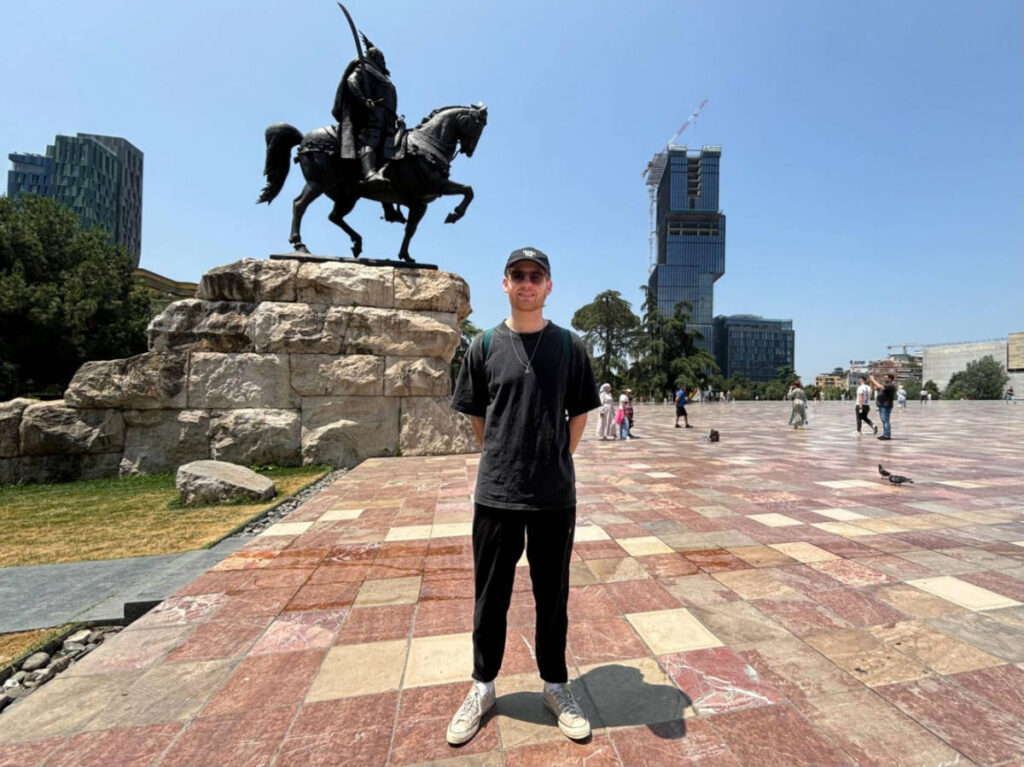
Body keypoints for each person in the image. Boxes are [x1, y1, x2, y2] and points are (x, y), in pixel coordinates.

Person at [448, 247, 599, 745]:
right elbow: (477, 418)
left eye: (537, 276)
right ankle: (482, 685)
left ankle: (555, 685)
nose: (527, 283)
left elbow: (579, 413)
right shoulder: (485, 345)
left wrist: (554, 455)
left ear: (549, 286)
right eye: (519, 275)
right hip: (496, 495)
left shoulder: (569, 347)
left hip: (554, 495)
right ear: (505, 283)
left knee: (551, 596)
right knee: (490, 597)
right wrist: (504, 454)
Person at [332, 35, 400, 191]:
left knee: (392, 149)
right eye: (380, 57)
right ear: (375, 57)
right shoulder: (365, 68)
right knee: (373, 139)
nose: (383, 60)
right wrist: (363, 100)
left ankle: (387, 200)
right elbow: (352, 81)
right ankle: (369, 173)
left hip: (389, 118)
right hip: (374, 115)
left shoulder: (383, 77)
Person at [869, 373, 897, 440]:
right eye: (884, 377)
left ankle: (887, 435)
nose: (885, 379)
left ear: (890, 379)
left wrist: (873, 379)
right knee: (884, 420)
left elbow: (879, 386)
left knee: (885, 420)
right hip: (882, 405)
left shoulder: (890, 385)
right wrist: (871, 382)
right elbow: (874, 388)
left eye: (886, 378)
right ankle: (885, 434)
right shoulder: (884, 385)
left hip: (886, 405)